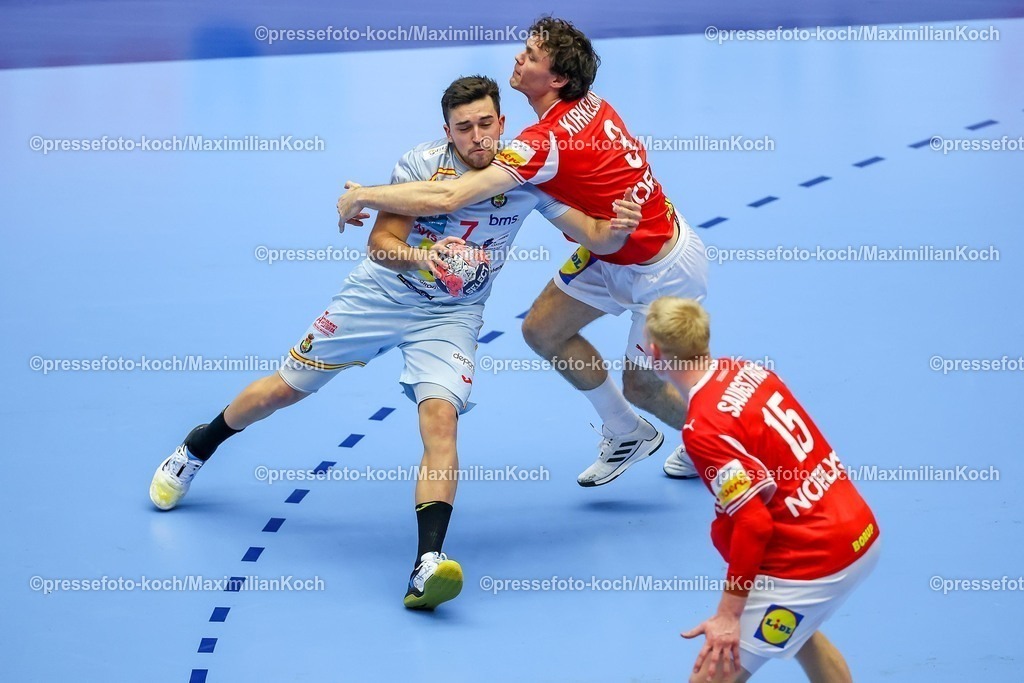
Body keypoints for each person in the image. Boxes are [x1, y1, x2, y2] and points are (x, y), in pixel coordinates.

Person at [148, 75, 640, 610]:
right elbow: (382, 243)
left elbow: (596, 235)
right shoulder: (421, 165)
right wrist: (426, 257)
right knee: (283, 391)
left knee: (440, 417)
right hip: (379, 296)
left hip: (452, 313)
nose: (477, 137)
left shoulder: (528, 173)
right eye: (464, 128)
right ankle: (199, 444)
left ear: (502, 122)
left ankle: (426, 565)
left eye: (485, 124)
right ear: (447, 131)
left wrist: (617, 230)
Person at [336, 17, 709, 488]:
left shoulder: (542, 144)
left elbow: (450, 197)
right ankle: (624, 432)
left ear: (557, 79)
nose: (518, 58)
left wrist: (363, 195)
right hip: (609, 251)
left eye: (531, 56)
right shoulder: (592, 102)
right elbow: (595, 223)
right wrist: (610, 234)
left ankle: (725, 447)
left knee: (642, 386)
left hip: (661, 270)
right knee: (542, 330)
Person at [644, 297, 880, 682]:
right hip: (858, 531)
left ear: (655, 352)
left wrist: (728, 615)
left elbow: (754, 523)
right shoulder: (750, 371)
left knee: (710, 677)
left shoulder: (702, 428)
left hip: (812, 560)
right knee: (801, 635)